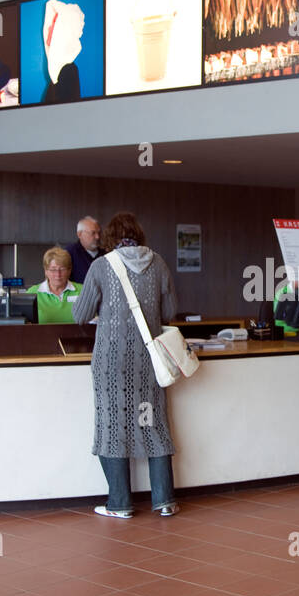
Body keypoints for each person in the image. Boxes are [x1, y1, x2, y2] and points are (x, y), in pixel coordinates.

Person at [71, 212, 179, 518]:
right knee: (153, 423)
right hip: (149, 360)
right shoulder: (158, 264)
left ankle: (120, 504)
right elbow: (170, 310)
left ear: (109, 238)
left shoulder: (101, 266)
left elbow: (80, 314)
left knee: (112, 425)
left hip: (111, 362)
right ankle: (165, 501)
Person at [26, 247, 82, 324]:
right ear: (46, 271)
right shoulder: (32, 293)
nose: (58, 274)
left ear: (69, 270)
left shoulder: (82, 291)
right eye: (53, 269)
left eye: (62, 269)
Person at [65, 216, 104, 284]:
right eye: (93, 233)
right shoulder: (69, 253)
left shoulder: (106, 254)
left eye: (99, 233)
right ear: (79, 234)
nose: (97, 237)